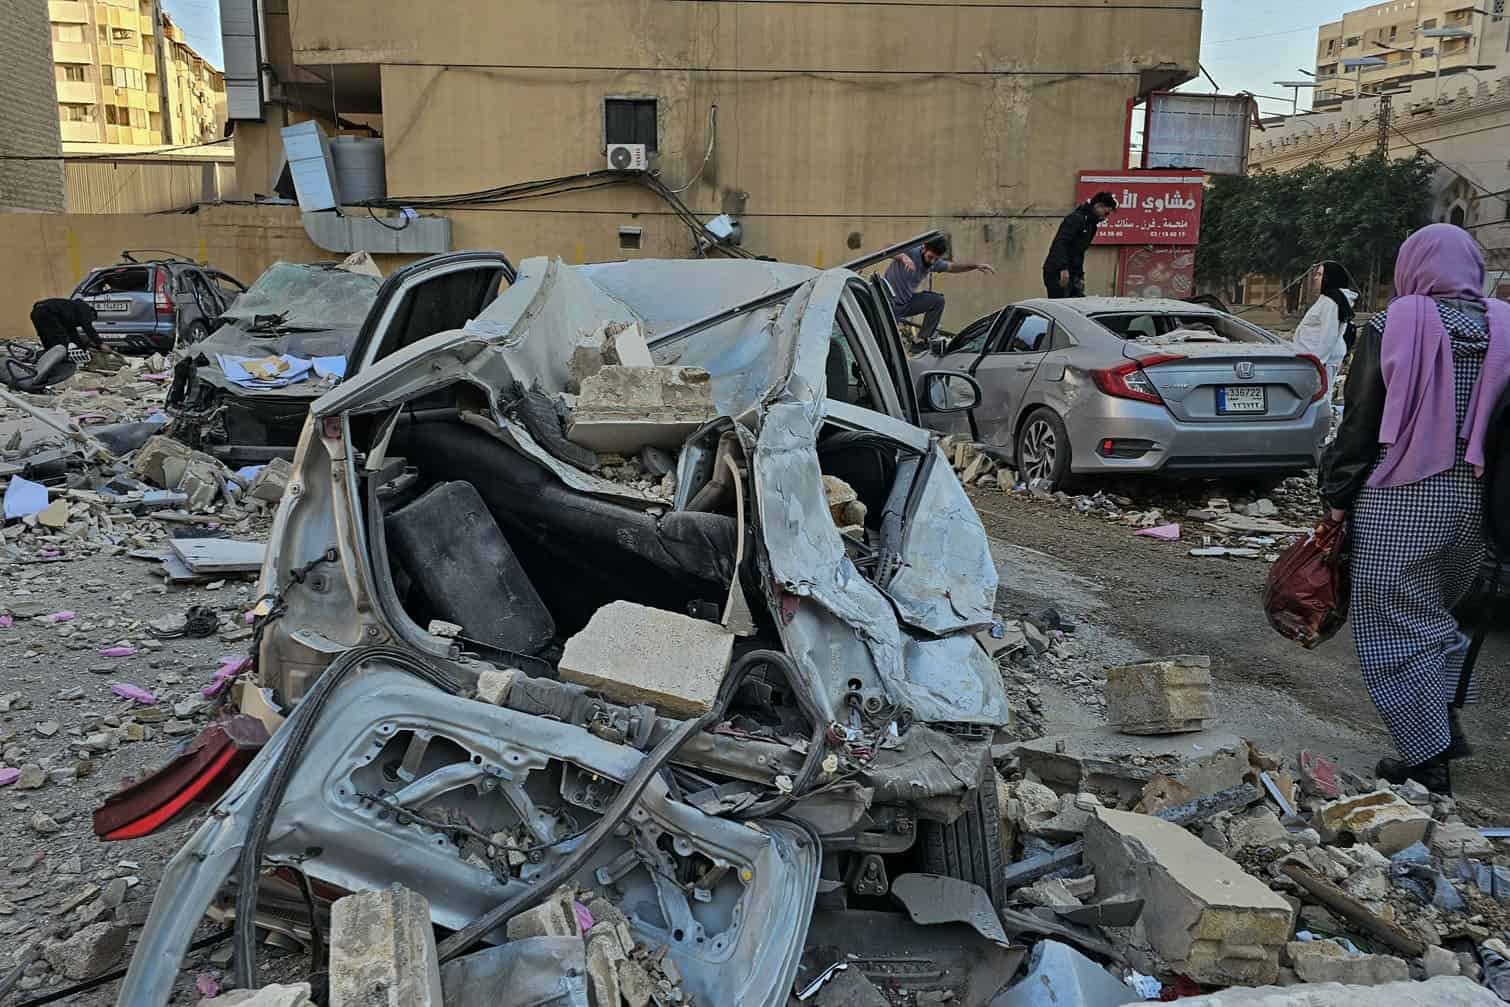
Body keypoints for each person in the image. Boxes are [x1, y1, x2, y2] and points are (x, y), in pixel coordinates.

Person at [1319, 223, 1510, 794]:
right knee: (1435, 617)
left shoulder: (1393, 324)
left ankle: (1428, 760)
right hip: (1479, 501)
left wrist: (1337, 499)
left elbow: (1360, 420)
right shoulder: (1505, 327)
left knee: (1394, 623)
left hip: (1401, 495)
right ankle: (1439, 720)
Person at [882, 236, 994, 348]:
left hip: (906, 303)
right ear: (923, 248)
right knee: (889, 343)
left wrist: (975, 266)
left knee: (938, 301)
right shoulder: (912, 251)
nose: (932, 262)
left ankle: (920, 341)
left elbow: (952, 267)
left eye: (936, 259)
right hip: (889, 303)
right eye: (930, 257)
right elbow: (886, 248)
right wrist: (903, 257)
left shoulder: (933, 263)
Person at [1292, 260, 1358, 393]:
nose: (1315, 278)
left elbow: (1329, 335)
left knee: (1322, 396)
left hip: (1323, 361)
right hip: (1314, 359)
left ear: (1329, 278)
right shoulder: (1326, 299)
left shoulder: (1330, 302)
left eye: (1320, 274)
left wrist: (1318, 362)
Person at [1043, 191, 1117, 298]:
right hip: (1058, 271)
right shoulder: (1076, 218)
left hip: (1073, 273)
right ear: (1098, 206)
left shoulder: (1091, 225)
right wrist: (1063, 268)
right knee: (1062, 304)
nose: (1106, 217)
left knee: (1078, 302)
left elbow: (1079, 252)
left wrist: (1080, 275)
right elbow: (1061, 243)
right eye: (1106, 213)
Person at [30, 298, 102, 353]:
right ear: (92, 313)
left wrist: (85, 348)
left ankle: (47, 362)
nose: (89, 321)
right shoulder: (84, 307)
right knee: (61, 341)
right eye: (91, 319)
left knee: (48, 342)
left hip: (35, 313)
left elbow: (74, 335)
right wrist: (100, 344)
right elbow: (88, 328)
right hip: (47, 312)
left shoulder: (70, 314)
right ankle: (62, 362)